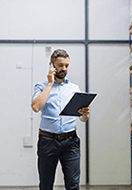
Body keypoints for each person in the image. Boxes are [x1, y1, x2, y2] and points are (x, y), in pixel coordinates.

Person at [31, 49, 89, 190]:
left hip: (71, 142)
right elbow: (36, 107)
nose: (63, 69)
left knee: (73, 185)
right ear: (51, 65)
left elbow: (82, 119)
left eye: (66, 66)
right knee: (46, 185)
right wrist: (50, 83)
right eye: (60, 65)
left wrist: (85, 114)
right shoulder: (41, 86)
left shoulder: (74, 88)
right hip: (48, 141)